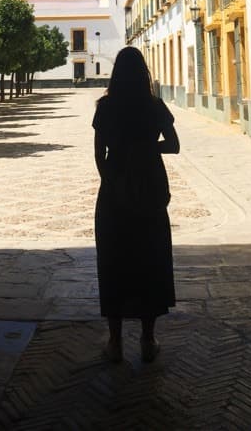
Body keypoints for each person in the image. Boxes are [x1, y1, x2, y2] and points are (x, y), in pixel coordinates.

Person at [92, 46, 180, 363]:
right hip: (150, 189)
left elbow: (98, 154)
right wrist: (146, 149)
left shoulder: (105, 107)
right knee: (150, 259)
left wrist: (112, 181)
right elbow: (174, 145)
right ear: (144, 73)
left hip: (113, 193)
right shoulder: (154, 105)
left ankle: (114, 342)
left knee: (114, 261)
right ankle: (147, 339)